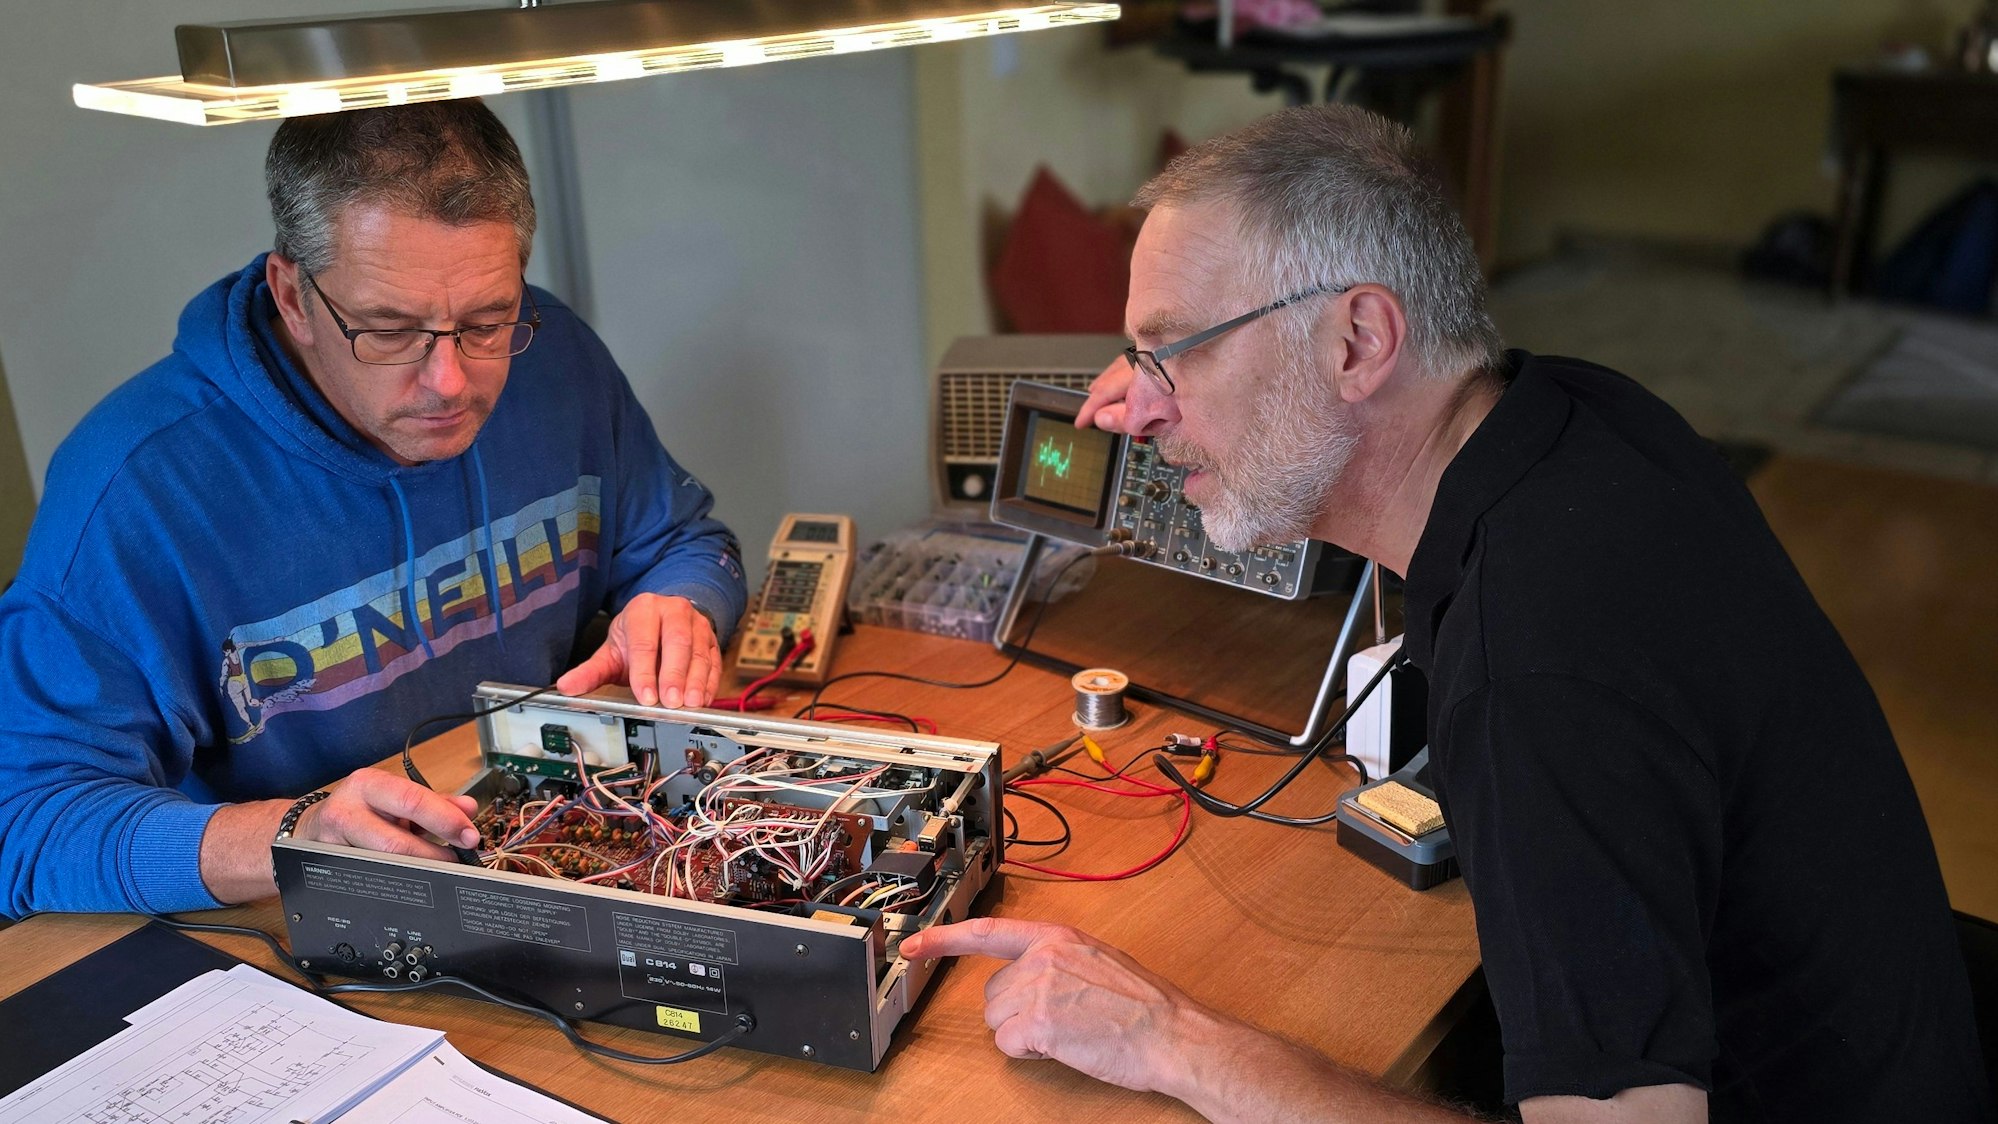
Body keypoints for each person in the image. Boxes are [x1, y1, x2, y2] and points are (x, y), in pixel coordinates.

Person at [904, 105, 1992, 1122]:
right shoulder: (1579, 416)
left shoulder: (1539, 675)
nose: (1133, 407)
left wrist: (1170, 1037)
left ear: (1357, 342)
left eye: (1173, 348)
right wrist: (1188, 375)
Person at [0, 101, 746, 917]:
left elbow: (685, 544)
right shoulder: (136, 487)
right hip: (292, 919)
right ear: (293, 297)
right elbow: (27, 823)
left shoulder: (555, 354)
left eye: (486, 322)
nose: (450, 382)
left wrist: (677, 605)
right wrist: (296, 833)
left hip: (545, 857)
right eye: (389, 330)